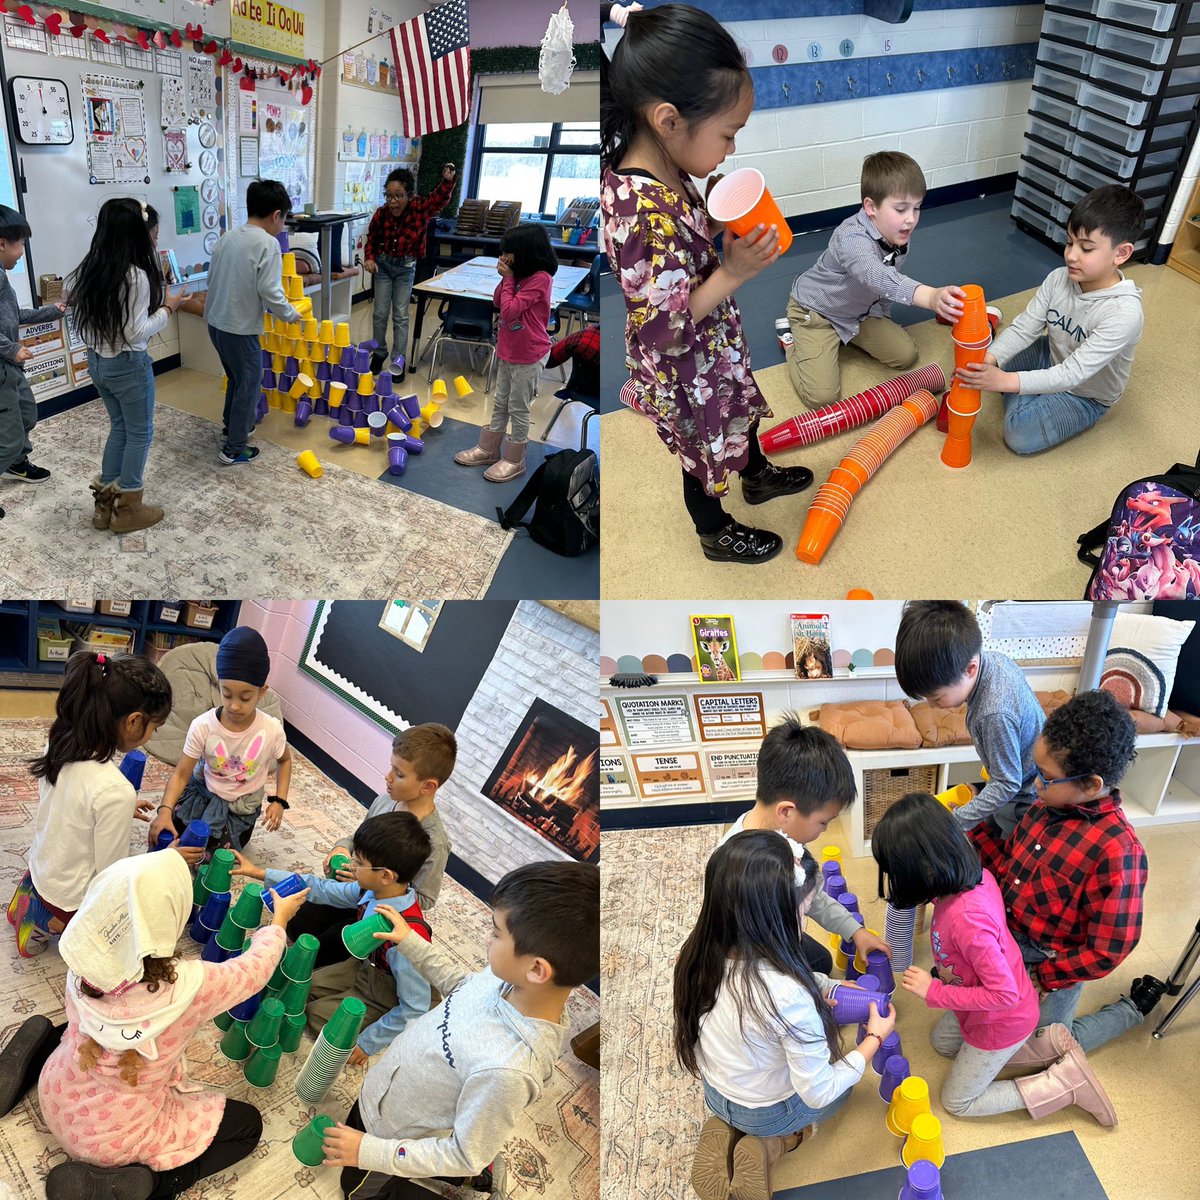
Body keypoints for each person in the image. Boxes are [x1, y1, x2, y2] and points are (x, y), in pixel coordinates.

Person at [601, 4, 812, 566]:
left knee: (738, 405)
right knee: (704, 449)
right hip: (683, 366)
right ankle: (713, 530)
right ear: (669, 120)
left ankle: (757, 473)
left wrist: (712, 221)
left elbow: (683, 244)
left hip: (712, 346)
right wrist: (735, 271)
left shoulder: (670, 167)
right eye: (728, 134)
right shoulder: (639, 214)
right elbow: (663, 329)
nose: (732, 149)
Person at [7, 850, 310, 1198]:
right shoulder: (189, 987)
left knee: (77, 1028)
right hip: (116, 1142)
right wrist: (279, 922)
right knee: (248, 1126)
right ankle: (155, 1185)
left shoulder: (81, 957)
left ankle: (29, 1063)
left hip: (57, 1096)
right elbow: (254, 971)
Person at [319, 860, 599, 1199]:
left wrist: (370, 1152)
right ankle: (475, 1175)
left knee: (356, 1192)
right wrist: (410, 942)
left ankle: (474, 1179)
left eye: (496, 932)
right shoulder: (506, 978)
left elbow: (465, 1154)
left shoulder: (506, 1071)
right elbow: (461, 985)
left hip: (398, 1134)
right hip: (386, 1098)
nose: (487, 936)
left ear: (537, 969)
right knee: (359, 1129)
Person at [872, 792, 1116, 1126]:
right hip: (983, 1007)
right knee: (942, 1045)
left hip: (1001, 1019)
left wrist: (934, 991)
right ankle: (1042, 1049)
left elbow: (1003, 994)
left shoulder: (968, 920)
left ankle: (1063, 1082)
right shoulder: (974, 878)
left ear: (926, 868)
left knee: (956, 1102)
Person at [677, 832, 896, 1200]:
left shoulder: (696, 954)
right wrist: (873, 1038)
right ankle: (776, 1143)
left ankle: (729, 1126)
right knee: (842, 1090)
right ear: (773, 920)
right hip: (768, 1112)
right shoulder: (786, 996)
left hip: (716, 1093)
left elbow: (769, 987)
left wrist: (824, 987)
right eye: (804, 911)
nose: (805, 922)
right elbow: (818, 1090)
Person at [971, 689, 1166, 1054]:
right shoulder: (1043, 808)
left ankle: (1131, 1009)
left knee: (1045, 1050)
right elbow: (1011, 870)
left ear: (1091, 785)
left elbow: (1109, 948)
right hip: (1011, 940)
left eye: (1045, 777)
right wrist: (970, 837)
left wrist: (1044, 977)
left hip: (1053, 962)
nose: (1035, 785)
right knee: (983, 1028)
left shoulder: (1118, 853)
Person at [887, 600, 1045, 970]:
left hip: (1024, 793)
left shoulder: (993, 712)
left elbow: (1008, 782)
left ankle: (1008, 939)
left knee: (1011, 860)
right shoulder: (992, 660)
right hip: (1014, 770)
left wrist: (956, 821)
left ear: (970, 668)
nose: (933, 705)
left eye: (937, 697)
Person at [6, 650, 180, 957]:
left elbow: (76, 798)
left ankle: (25, 906)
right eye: (155, 727)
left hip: (41, 864)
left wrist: (120, 810)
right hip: (68, 895)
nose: (152, 735)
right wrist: (164, 863)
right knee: (126, 928)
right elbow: (110, 875)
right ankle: (41, 927)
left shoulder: (62, 735)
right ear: (133, 721)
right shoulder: (114, 790)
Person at [956, 184, 1145, 455]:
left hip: (1085, 394)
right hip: (1052, 354)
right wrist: (989, 360)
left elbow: (1073, 374)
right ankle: (1031, 386)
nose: (1071, 255)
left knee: (1018, 436)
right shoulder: (1059, 278)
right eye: (1070, 242)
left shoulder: (1123, 313)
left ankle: (1029, 392)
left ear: (1121, 254)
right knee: (987, 359)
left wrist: (1004, 382)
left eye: (1086, 248)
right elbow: (1024, 328)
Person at [233, 811, 433, 1063]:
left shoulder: (407, 937)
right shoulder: (371, 891)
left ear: (386, 876)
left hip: (387, 990)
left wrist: (367, 1043)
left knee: (318, 1018)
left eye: (359, 862)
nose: (350, 865)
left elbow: (416, 1006)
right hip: (363, 967)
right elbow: (320, 888)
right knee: (299, 988)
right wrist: (259, 873)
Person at [783, 152, 967, 410]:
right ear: (871, 207)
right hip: (817, 313)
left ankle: (840, 340)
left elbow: (884, 287)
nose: (911, 219)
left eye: (917, 207)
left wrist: (883, 318)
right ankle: (792, 342)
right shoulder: (851, 238)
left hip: (859, 314)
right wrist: (931, 297)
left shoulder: (898, 232)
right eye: (901, 209)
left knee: (906, 356)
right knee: (822, 398)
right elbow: (877, 276)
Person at [714, 716, 890, 975]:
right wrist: (824, 990)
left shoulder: (785, 838)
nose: (826, 830)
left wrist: (855, 930)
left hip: (776, 929)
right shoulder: (740, 871)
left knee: (821, 962)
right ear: (786, 811)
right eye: (823, 822)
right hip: (751, 956)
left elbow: (813, 896)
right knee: (809, 980)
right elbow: (758, 972)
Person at [287, 723, 455, 971]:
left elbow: (425, 900)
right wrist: (341, 848)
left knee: (324, 953)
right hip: (349, 889)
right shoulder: (386, 801)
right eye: (392, 767)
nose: (388, 777)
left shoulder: (435, 843)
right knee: (297, 924)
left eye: (399, 774)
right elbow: (360, 840)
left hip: (372, 908)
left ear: (428, 786)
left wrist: (371, 882)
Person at [68, 198, 184, 534]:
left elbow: (88, 326)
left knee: (120, 427)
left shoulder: (89, 269)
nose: (156, 241)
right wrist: (167, 309)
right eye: (154, 234)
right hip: (128, 365)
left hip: (98, 364)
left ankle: (104, 507)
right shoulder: (135, 277)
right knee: (140, 432)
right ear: (137, 235)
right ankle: (129, 508)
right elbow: (135, 332)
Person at [147, 626, 291, 854]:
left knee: (212, 858)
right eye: (226, 694)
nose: (234, 705)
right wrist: (164, 810)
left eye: (245, 697)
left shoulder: (271, 729)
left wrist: (279, 801)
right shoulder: (203, 726)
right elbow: (181, 773)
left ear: (261, 692)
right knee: (169, 842)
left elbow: (284, 760)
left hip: (239, 810)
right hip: (202, 795)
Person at [205, 178, 304, 466]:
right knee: (250, 383)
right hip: (239, 329)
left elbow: (212, 280)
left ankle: (232, 425)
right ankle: (234, 448)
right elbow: (270, 290)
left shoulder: (228, 236)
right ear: (276, 215)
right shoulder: (268, 244)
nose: (282, 226)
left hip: (216, 324)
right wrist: (289, 313)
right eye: (284, 220)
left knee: (236, 377)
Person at [454, 223, 557, 482]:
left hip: (529, 354)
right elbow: (499, 302)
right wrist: (506, 279)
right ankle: (489, 448)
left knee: (518, 407)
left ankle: (515, 458)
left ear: (525, 252)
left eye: (508, 251)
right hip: (508, 351)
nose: (504, 256)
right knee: (501, 401)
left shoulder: (540, 278)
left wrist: (509, 279)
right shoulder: (517, 277)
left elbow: (510, 312)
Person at [0, 203, 66, 519]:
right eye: (20, 245)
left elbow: (16, 315)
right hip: (2, 365)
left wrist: (54, 310)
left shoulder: (2, 276)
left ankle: (16, 462)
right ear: (2, 243)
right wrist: (12, 350)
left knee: (27, 414)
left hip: (10, 366)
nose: (21, 252)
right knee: (9, 434)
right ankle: (11, 455)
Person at [364, 163, 458, 378]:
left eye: (398, 196)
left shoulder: (419, 208)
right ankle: (379, 353)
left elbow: (438, 200)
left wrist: (448, 182)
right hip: (384, 267)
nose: (392, 201)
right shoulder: (381, 214)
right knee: (379, 313)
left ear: (409, 195)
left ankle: (398, 360)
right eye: (388, 195)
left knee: (401, 315)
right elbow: (372, 239)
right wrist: (369, 258)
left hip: (406, 269)